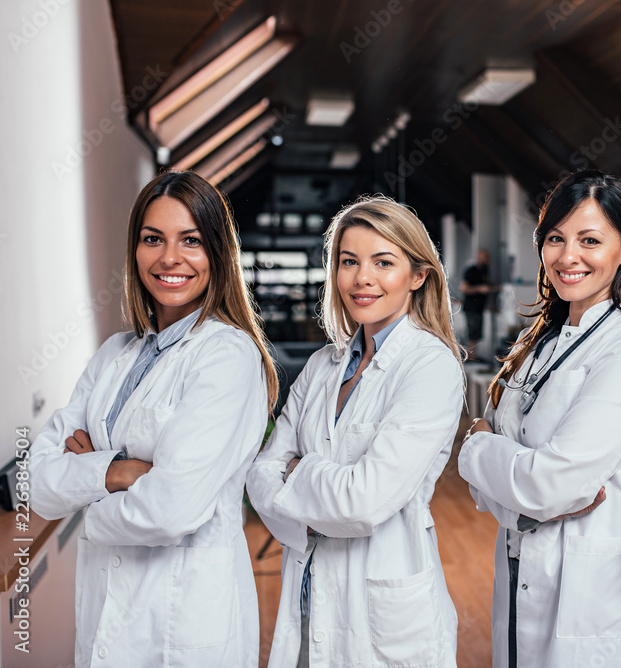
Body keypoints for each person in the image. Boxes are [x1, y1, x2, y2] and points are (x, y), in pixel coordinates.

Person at [28, 170, 279, 667]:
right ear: (135, 250)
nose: (170, 258)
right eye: (152, 239)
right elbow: (35, 483)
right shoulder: (114, 354)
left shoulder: (226, 356)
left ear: (218, 253)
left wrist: (81, 494)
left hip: (184, 624)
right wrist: (117, 472)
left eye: (191, 240)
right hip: (105, 614)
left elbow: (170, 510)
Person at [459, 170, 621, 668]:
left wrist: (477, 446)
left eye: (589, 240)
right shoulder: (536, 346)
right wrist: (523, 491)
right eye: (555, 239)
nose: (567, 256)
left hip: (596, 596)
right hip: (519, 571)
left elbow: (552, 485)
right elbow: (496, 493)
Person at [246, 196, 465, 668]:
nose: (362, 278)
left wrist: (298, 473)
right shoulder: (322, 365)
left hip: (383, 615)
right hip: (306, 597)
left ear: (418, 275)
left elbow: (364, 504)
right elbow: (260, 474)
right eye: (349, 262)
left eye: (383, 262)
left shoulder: (430, 367)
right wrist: (313, 491)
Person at [459, 248, 494, 359]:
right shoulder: (470, 271)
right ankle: (471, 359)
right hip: (471, 308)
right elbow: (463, 289)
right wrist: (479, 289)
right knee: (472, 335)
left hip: (480, 308)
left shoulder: (485, 271)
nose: (487, 259)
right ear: (479, 257)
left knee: (477, 335)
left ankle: (473, 358)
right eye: (485, 257)